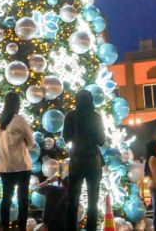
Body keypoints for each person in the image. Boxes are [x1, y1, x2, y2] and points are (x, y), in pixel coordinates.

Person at [63, 90, 106, 231]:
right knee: (93, 202)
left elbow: (66, 138)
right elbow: (101, 140)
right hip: (93, 162)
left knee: (72, 201)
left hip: (76, 161)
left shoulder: (70, 116)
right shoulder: (96, 117)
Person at [0, 91, 34, 231]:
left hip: (5, 166)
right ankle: (21, 228)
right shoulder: (20, 120)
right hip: (22, 165)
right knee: (23, 200)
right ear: (18, 104)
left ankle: (5, 228)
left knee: (6, 199)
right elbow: (31, 141)